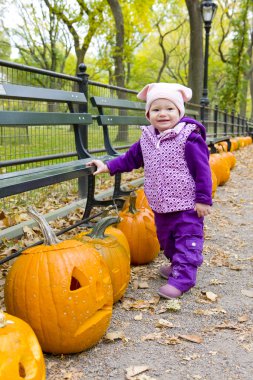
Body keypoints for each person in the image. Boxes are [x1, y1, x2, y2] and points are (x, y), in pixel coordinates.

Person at [86, 82, 212, 299]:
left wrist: (203, 199)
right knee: (167, 241)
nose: (163, 114)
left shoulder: (189, 137)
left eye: (169, 108)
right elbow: (130, 159)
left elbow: (203, 170)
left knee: (186, 238)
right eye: (156, 109)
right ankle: (178, 264)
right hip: (160, 204)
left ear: (179, 111)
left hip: (187, 204)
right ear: (148, 114)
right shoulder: (147, 139)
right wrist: (107, 166)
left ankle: (183, 278)